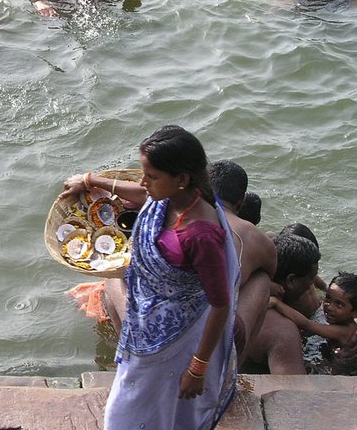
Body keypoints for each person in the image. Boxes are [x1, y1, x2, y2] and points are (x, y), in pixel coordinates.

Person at [60, 125, 238, 430]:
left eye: (153, 175)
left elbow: (220, 304)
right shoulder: (169, 198)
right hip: (145, 327)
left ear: (183, 179)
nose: (144, 182)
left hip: (179, 342)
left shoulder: (201, 234)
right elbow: (143, 194)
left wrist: (199, 367)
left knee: (130, 414)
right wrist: (92, 180)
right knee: (149, 411)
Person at [72, 159, 276, 373]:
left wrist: (89, 180)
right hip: (220, 333)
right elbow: (271, 272)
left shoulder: (176, 210)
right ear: (241, 204)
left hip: (163, 332)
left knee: (114, 280)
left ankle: (129, 363)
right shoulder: (258, 238)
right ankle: (232, 371)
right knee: (261, 280)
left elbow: (144, 195)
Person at [241, 232, 322, 374]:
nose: (311, 285)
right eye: (311, 278)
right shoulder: (282, 330)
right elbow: (294, 393)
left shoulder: (242, 281)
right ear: (291, 281)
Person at [272, 271, 357, 375]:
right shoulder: (347, 323)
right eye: (328, 298)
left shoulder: (344, 331)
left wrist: (277, 303)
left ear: (356, 312)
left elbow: (306, 324)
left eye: (339, 304)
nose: (329, 307)